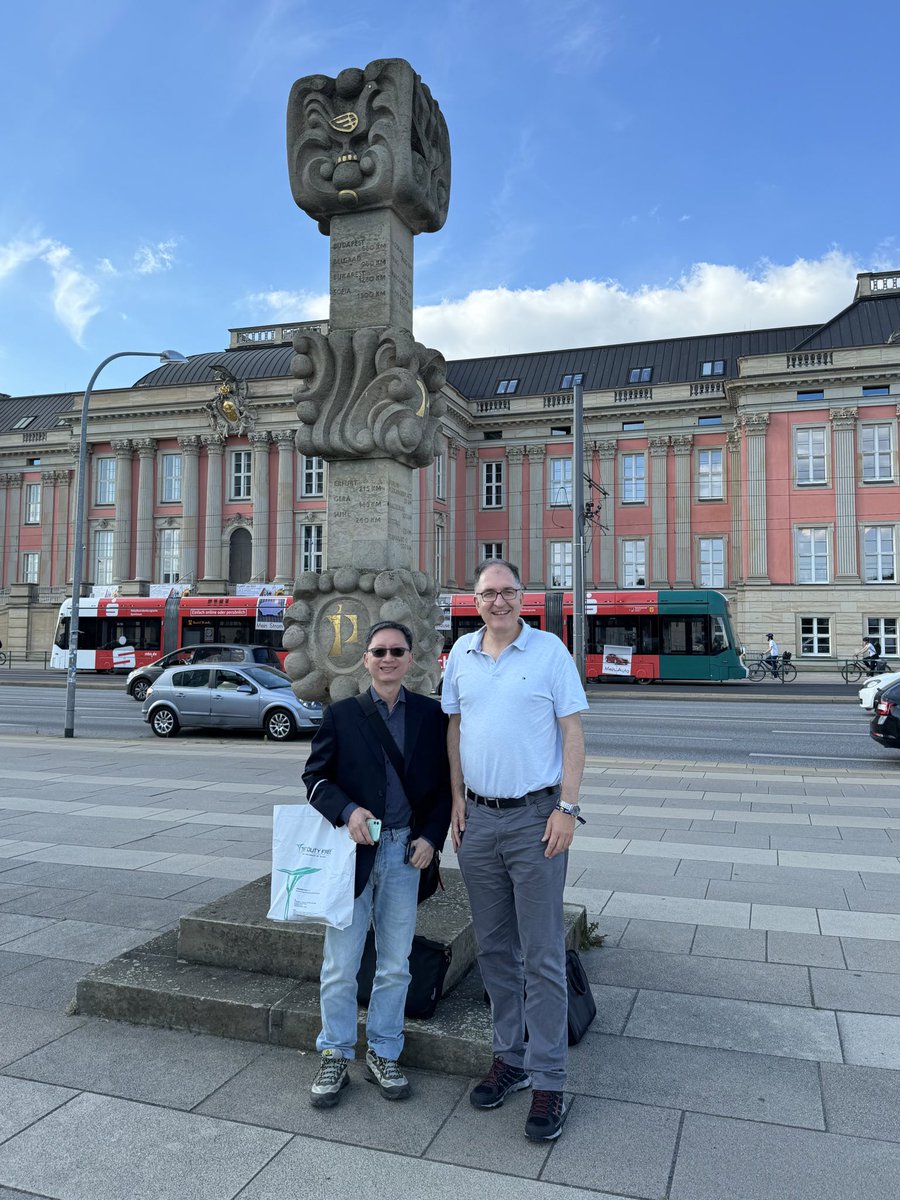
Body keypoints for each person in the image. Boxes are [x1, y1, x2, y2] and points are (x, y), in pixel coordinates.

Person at [441, 560, 588, 1142]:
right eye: (487, 593)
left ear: (522, 596)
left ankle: (550, 1079)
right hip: (478, 819)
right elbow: (454, 729)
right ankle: (512, 1058)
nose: (497, 601)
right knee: (496, 949)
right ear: (473, 600)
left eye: (506, 592)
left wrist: (567, 808)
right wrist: (455, 797)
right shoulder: (461, 655)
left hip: (536, 819)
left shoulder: (549, 651)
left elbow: (573, 731)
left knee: (544, 953)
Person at [303, 620, 451, 1109]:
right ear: (365, 659)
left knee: (394, 965)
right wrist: (348, 812)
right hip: (354, 854)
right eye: (379, 651)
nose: (388, 659)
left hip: (406, 854)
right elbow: (315, 779)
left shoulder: (431, 716)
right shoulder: (342, 715)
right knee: (341, 964)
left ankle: (384, 1052)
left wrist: (432, 838)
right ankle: (335, 1052)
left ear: (411, 659)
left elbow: (443, 790)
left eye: (397, 651)